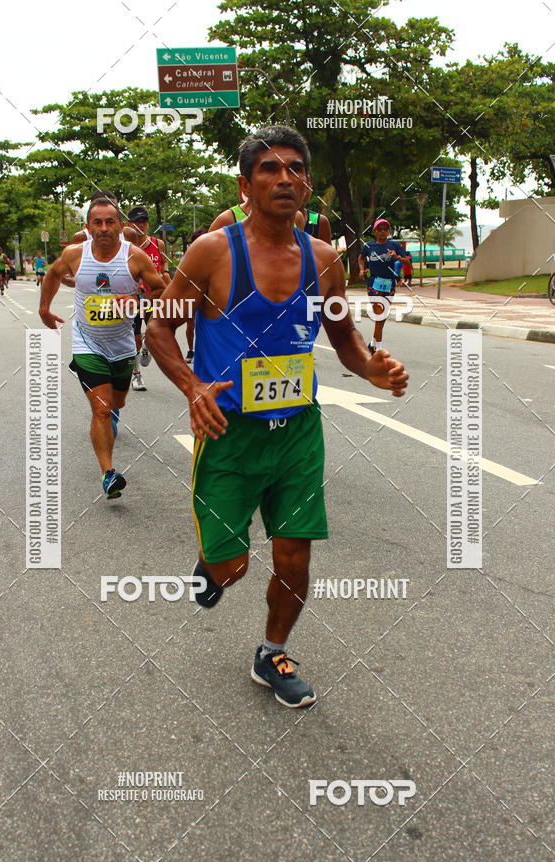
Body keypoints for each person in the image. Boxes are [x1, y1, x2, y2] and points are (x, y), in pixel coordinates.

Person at [146, 125, 408, 708]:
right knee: (231, 564)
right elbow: (159, 326)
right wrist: (192, 386)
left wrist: (372, 369)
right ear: (245, 185)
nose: (284, 177)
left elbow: (344, 339)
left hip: (297, 434)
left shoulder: (324, 260)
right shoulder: (212, 253)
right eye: (269, 168)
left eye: (295, 168)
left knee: (295, 554)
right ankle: (215, 567)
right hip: (228, 432)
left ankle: (273, 652)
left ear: (307, 184)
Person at [39, 197, 165, 498]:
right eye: (98, 222)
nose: (104, 228)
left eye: (110, 222)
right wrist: (44, 309)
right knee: (102, 409)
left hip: (122, 345)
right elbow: (53, 274)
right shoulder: (75, 254)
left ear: (120, 226)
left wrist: (137, 300)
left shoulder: (134, 257)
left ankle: (112, 413)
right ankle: (108, 473)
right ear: (88, 227)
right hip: (87, 342)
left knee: (116, 403)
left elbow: (161, 288)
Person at [125, 205, 171, 391]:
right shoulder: (124, 247)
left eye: (144, 221)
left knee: (154, 333)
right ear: (128, 224)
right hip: (133, 298)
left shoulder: (157, 244)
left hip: (153, 296)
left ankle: (147, 347)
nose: (141, 225)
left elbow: (164, 261)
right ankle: (136, 375)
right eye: (137, 222)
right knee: (135, 337)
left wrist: (165, 272)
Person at [358, 219, 409, 354]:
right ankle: (378, 348)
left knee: (383, 315)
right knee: (379, 314)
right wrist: (361, 269)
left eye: (385, 229)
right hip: (374, 283)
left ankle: (372, 343)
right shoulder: (369, 246)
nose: (382, 231)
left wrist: (397, 257)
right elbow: (361, 257)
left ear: (389, 231)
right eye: (379, 229)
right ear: (374, 231)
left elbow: (407, 262)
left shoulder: (394, 245)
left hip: (389, 284)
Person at [184, 229, 208, 363]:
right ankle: (191, 349)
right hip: (192, 293)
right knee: (191, 323)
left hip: (209, 295)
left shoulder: (215, 255)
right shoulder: (188, 258)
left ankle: (205, 350)